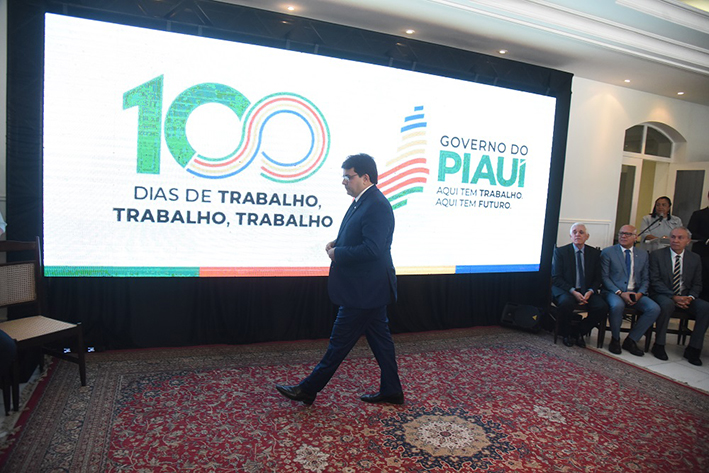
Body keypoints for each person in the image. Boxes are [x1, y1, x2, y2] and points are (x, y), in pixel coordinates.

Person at [275, 153, 403, 406]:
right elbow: (362, 236)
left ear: (365, 177)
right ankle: (392, 390)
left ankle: (309, 388)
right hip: (369, 288)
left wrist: (339, 254)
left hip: (365, 291)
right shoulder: (363, 201)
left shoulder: (376, 204)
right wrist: (339, 242)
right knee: (381, 343)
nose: (344, 181)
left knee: (338, 343)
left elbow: (373, 249)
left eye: (348, 176)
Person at [649, 227, 709, 366]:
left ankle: (694, 349)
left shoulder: (695, 258)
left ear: (688, 241)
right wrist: (674, 297)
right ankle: (659, 344)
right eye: (673, 237)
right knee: (667, 304)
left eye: (680, 237)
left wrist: (690, 297)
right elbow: (655, 281)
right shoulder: (657, 255)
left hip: (686, 296)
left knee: (705, 307)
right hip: (663, 294)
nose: (675, 240)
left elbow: (697, 283)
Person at [600, 225, 660, 356]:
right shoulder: (608, 252)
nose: (623, 236)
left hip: (635, 292)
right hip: (614, 292)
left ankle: (631, 339)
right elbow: (604, 278)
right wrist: (620, 293)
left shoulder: (643, 255)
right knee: (617, 305)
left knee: (654, 308)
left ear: (635, 237)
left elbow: (646, 279)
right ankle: (615, 339)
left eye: (627, 234)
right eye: (621, 233)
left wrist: (640, 293)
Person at [551, 223, 608, 348]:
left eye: (581, 232)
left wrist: (590, 291)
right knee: (566, 303)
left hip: (587, 290)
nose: (578, 235)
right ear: (570, 236)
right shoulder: (560, 252)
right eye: (574, 232)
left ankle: (579, 331)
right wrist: (573, 291)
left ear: (587, 236)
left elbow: (598, 278)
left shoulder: (595, 253)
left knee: (602, 307)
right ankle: (566, 334)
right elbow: (556, 277)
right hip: (566, 289)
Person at [687, 193, 709, 299]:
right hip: (702, 253)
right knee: (701, 280)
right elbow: (691, 231)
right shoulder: (699, 214)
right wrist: (706, 240)